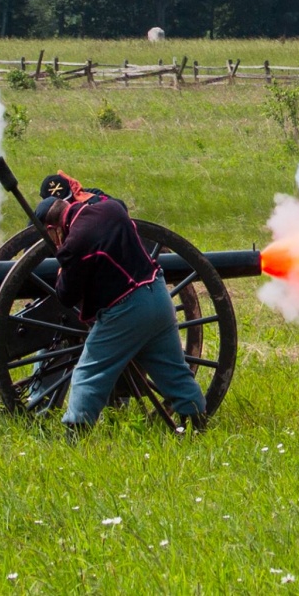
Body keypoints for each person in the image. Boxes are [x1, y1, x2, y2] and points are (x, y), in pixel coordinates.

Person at [35, 177, 207, 433]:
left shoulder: (75, 243)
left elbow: (66, 295)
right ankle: (199, 426)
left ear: (52, 228)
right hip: (158, 296)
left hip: (126, 310)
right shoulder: (111, 208)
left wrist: (62, 264)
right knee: (173, 371)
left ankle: (74, 436)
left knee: (88, 373)